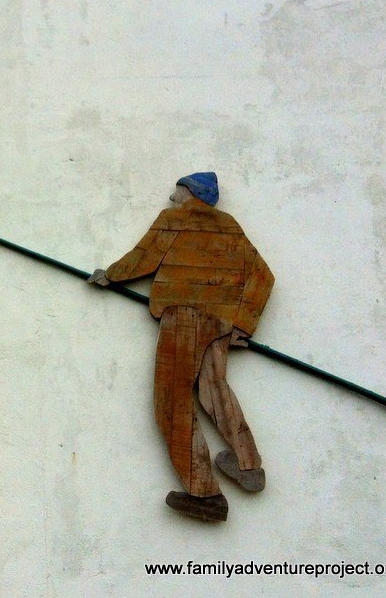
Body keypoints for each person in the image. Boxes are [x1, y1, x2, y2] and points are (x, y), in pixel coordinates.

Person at [90, 172, 274, 521]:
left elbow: (144, 257)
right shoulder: (230, 227)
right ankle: (248, 466)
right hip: (220, 322)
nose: (172, 199)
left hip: (184, 319)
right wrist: (242, 325)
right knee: (214, 391)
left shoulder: (174, 219)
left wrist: (110, 275)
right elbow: (263, 274)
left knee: (171, 401)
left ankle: (203, 492)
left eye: (177, 193)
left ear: (190, 194)